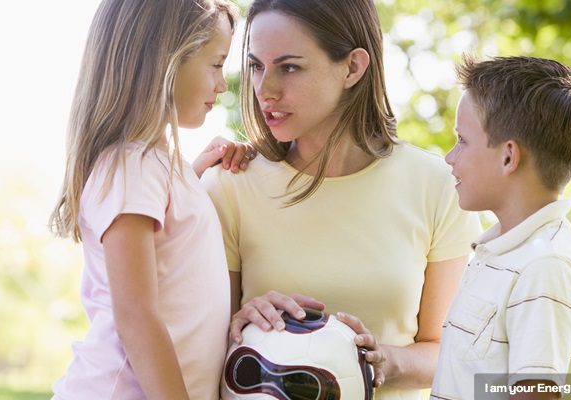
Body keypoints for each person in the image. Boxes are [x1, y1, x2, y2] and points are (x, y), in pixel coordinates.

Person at [201, 0, 481, 398]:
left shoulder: (437, 185)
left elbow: (451, 352)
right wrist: (239, 327)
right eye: (256, 66)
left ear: (353, 67)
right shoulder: (230, 185)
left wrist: (383, 359)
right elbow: (201, 350)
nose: (265, 89)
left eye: (290, 67)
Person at [48, 0, 254, 398]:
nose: (221, 83)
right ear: (166, 62)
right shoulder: (132, 165)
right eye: (215, 63)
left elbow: (172, 253)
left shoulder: (153, 167)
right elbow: (136, 316)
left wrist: (191, 177)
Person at [430, 56, 571, 400]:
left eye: (462, 140)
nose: (450, 157)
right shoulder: (500, 253)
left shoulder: (545, 269)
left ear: (509, 157)